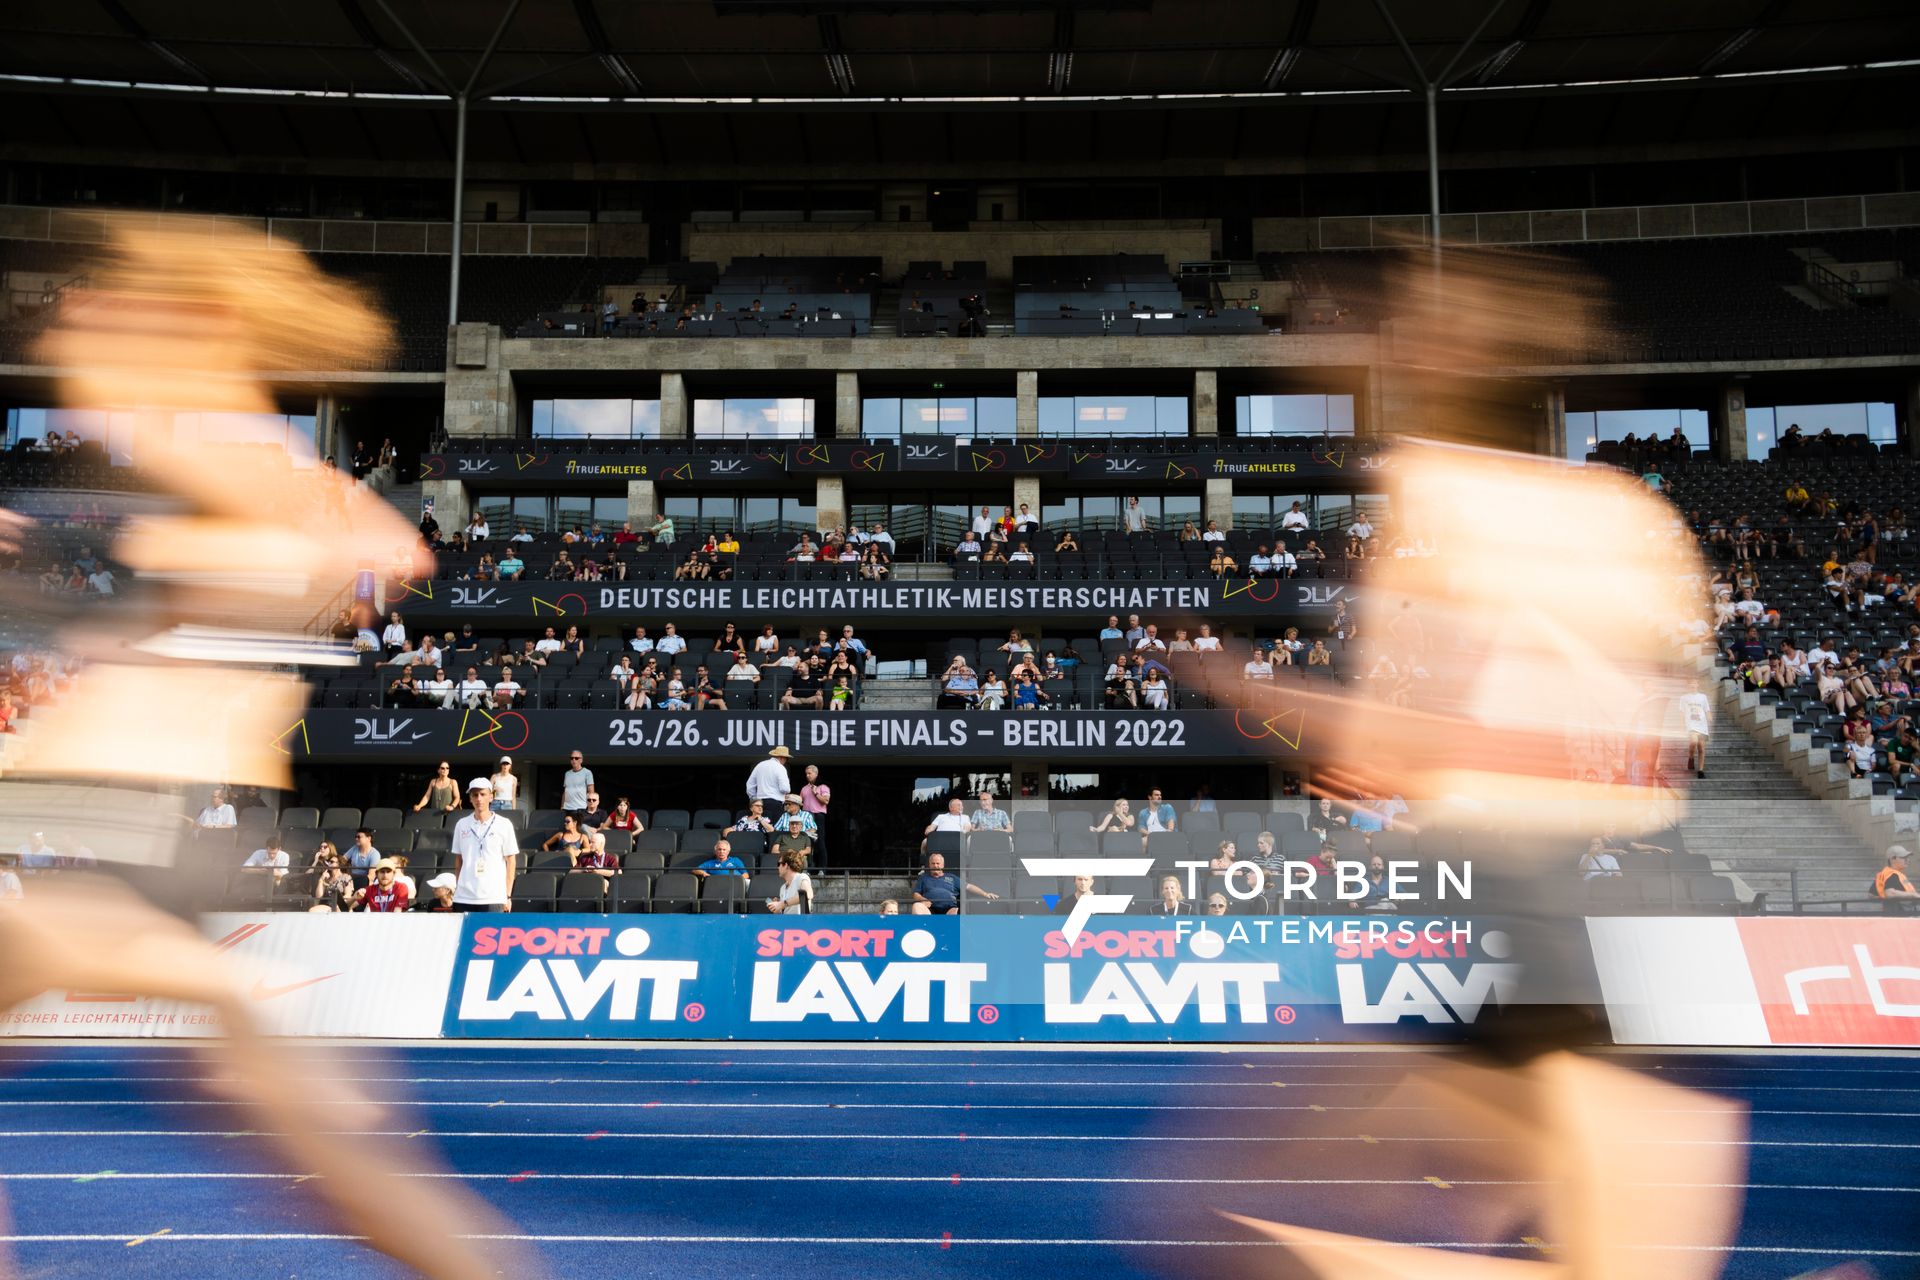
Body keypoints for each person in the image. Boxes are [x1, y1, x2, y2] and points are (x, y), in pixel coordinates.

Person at [450, 776, 518, 912]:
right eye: (475, 795)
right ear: (470, 798)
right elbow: (458, 861)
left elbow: (511, 861)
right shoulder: (461, 824)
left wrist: (507, 895)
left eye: (483, 794)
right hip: (463, 897)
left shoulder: (504, 824)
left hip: (494, 897)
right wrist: (459, 888)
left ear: (491, 797)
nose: (479, 799)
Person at [912, 851, 996, 913]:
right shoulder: (923, 878)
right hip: (929, 909)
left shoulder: (952, 877)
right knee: (916, 906)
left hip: (950, 909)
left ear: (942, 865)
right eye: (933, 863)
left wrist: (985, 894)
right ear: (929, 864)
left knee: (960, 910)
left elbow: (969, 887)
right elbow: (916, 894)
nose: (935, 866)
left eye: (938, 863)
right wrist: (923, 900)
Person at [1875, 846, 1917, 913]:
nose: (1907, 860)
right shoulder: (1892, 875)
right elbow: (1889, 893)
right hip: (1900, 913)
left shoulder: (1885, 874)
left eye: (1907, 857)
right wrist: (1913, 895)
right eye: (1903, 857)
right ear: (1892, 859)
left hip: (1897, 912)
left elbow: (1871, 894)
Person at [560, 750, 594, 814]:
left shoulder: (587, 772)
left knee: (579, 824)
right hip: (566, 808)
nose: (574, 760)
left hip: (580, 808)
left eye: (576, 758)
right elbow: (565, 791)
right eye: (572, 758)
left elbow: (591, 792)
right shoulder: (567, 773)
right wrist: (562, 806)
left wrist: (590, 808)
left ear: (581, 760)